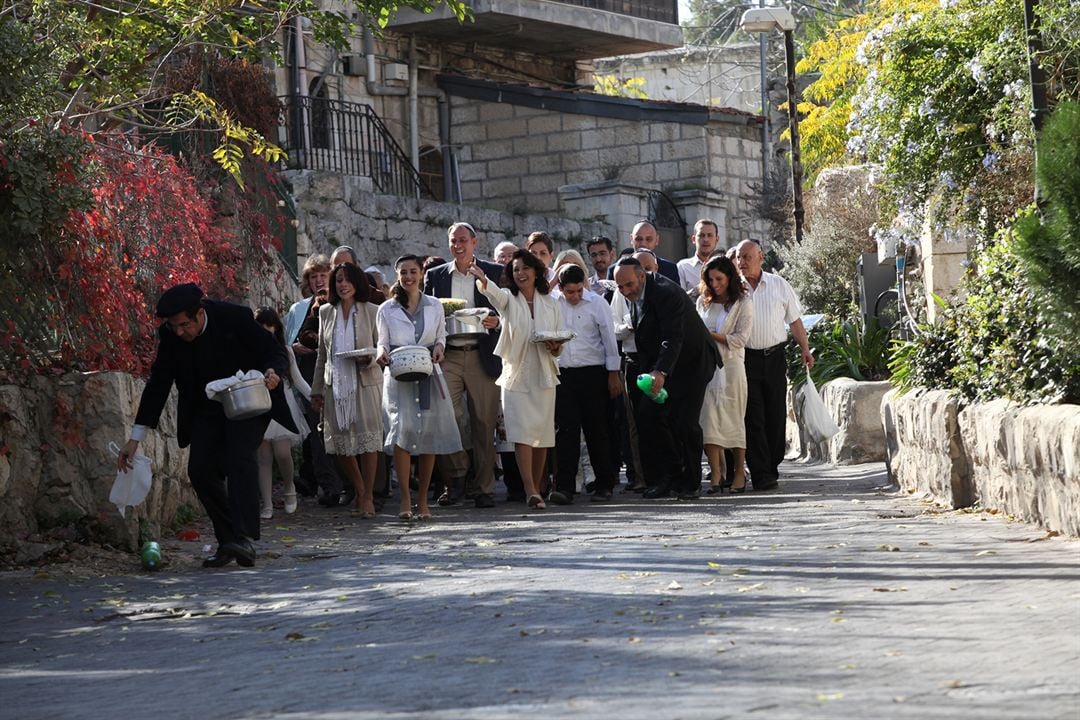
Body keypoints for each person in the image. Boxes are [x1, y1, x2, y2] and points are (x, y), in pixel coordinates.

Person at [117, 283, 294, 568]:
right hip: (206, 409)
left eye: (184, 324)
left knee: (239, 457)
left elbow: (274, 351)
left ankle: (244, 537)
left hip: (248, 400)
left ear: (199, 314)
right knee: (199, 470)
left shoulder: (234, 317)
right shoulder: (171, 337)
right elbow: (158, 385)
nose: (179, 332)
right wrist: (135, 439)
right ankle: (228, 541)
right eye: (173, 326)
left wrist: (272, 371)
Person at [613, 257, 720, 500]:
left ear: (642, 276)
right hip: (663, 364)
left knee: (685, 421)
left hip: (692, 364)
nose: (625, 291)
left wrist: (660, 372)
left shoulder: (665, 292)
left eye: (629, 285)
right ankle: (669, 477)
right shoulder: (632, 293)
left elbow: (672, 337)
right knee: (649, 415)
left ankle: (691, 482)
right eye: (620, 287)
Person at [471, 249, 564, 510]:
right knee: (522, 434)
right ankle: (530, 489)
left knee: (542, 434)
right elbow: (494, 294)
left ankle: (536, 488)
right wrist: (482, 278)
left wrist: (556, 346)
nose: (520, 273)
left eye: (525, 268)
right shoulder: (509, 300)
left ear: (536, 271)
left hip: (544, 373)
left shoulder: (551, 302)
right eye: (515, 270)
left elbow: (558, 340)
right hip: (515, 374)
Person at [376, 255, 462, 521]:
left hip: (428, 373)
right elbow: (382, 342)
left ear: (421, 273)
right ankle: (405, 497)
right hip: (399, 375)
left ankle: (423, 499)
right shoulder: (386, 309)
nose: (408, 277)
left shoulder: (435, 305)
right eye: (403, 272)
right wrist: (381, 354)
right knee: (402, 432)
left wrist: (439, 347)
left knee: (429, 435)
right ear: (397, 275)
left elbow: (440, 336)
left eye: (413, 271)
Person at [424, 222, 503, 509]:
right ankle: (457, 476)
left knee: (484, 423)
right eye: (453, 241)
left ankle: (484, 488)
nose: (458, 246)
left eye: (463, 241)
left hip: (483, 352)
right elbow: (426, 312)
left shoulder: (492, 272)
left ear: (474, 242)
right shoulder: (434, 276)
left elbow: (509, 309)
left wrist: (498, 321)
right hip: (450, 354)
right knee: (447, 416)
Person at [735, 239, 814, 491]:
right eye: (738, 257)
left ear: (761, 256)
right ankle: (760, 472)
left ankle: (772, 464)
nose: (741, 262)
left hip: (774, 357)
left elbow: (795, 321)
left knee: (775, 414)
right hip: (745, 359)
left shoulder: (779, 284)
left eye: (747, 257)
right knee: (753, 415)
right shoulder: (734, 288)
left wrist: (805, 349)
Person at [310, 263, 384, 517]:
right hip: (335, 384)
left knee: (368, 441)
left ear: (358, 283)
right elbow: (322, 354)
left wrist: (370, 358)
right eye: (339, 280)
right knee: (339, 444)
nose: (343, 284)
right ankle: (361, 489)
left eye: (348, 280)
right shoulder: (325, 313)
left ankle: (367, 497)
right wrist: (316, 390)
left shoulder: (373, 311)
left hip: (365, 381)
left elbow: (383, 347)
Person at [552, 264, 622, 503]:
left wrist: (613, 373)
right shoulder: (552, 303)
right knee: (566, 431)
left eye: (578, 291)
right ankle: (565, 486)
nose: (575, 296)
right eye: (569, 292)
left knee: (597, 430)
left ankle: (605, 483)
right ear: (561, 288)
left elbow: (609, 339)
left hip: (593, 373)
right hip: (564, 374)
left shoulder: (597, 303)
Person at [696, 257, 753, 494]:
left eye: (719, 278)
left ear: (729, 277)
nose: (715, 283)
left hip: (731, 366)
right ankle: (716, 475)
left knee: (733, 417)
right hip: (708, 367)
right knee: (708, 420)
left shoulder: (742, 302)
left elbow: (740, 339)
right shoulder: (703, 302)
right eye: (710, 279)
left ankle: (739, 471)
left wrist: (711, 335)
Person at [254, 307, 312, 519]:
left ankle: (289, 488)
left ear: (277, 327)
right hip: (258, 405)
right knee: (263, 457)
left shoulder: (285, 351)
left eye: (270, 324)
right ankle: (267, 504)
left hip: (283, 405)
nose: (266, 329)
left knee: (282, 453)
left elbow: (297, 380)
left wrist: (315, 397)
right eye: (261, 324)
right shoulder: (249, 350)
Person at [608, 221, 680, 285]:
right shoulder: (615, 270)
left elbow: (677, 298)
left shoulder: (670, 269)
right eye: (638, 239)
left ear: (657, 240)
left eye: (649, 239)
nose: (643, 244)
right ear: (631, 239)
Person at [677, 219, 720, 293]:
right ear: (693, 239)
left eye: (710, 235)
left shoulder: (726, 266)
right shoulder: (683, 267)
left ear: (717, 239)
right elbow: (681, 299)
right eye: (701, 235)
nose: (706, 239)